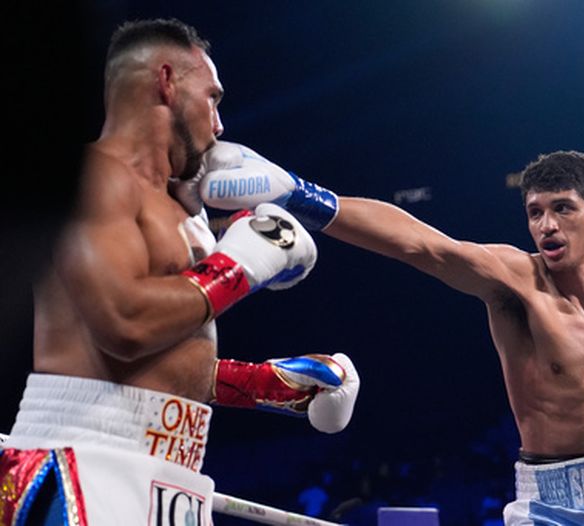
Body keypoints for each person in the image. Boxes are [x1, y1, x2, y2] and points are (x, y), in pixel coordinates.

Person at [190, 141, 584, 524]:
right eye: (535, 212)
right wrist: (301, 196)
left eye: (562, 209)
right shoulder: (518, 281)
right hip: (549, 507)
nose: (546, 226)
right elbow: (421, 244)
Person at [0, 19, 359, 526]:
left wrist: (269, 383)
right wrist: (241, 266)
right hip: (82, 461)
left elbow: (156, 365)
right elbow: (124, 326)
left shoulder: (182, 210)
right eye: (212, 98)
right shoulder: (91, 177)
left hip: (171, 473)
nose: (219, 125)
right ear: (166, 81)